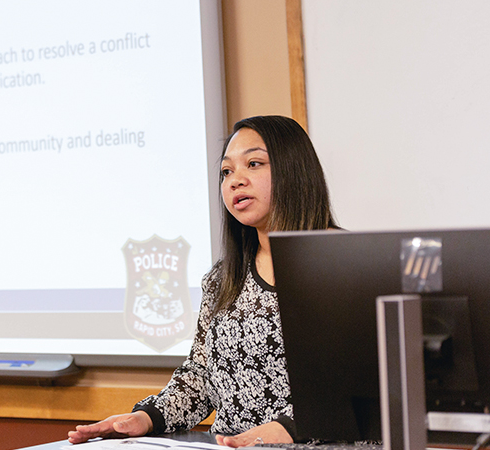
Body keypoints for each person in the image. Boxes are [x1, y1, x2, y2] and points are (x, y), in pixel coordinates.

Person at [68, 115, 338, 447]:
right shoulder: (222, 279)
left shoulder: (346, 264)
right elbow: (200, 377)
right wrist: (145, 417)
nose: (235, 180)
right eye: (226, 172)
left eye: (253, 163)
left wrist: (278, 433)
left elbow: (359, 380)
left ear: (294, 170)